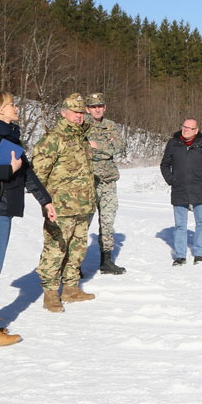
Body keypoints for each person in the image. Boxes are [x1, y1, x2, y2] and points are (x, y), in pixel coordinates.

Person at [0, 91, 56, 347]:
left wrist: (45, 200)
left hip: (0, 209)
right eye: (13, 105)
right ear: (0, 110)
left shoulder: (8, 134)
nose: (17, 108)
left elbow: (26, 173)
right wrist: (7, 169)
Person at [33, 93, 98, 312]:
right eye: (75, 112)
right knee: (55, 250)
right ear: (63, 113)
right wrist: (45, 202)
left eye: (81, 112)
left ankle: (70, 288)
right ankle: (50, 293)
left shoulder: (82, 137)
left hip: (84, 206)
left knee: (78, 249)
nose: (79, 116)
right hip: (61, 208)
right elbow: (38, 174)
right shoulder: (54, 139)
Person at [160, 118, 202, 265]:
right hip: (179, 189)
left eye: (189, 128)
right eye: (184, 126)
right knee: (180, 224)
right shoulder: (173, 143)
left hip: (200, 189)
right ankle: (180, 256)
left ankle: (198, 254)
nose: (185, 129)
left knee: (201, 223)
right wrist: (171, 180)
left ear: (196, 130)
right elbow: (164, 164)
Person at [85, 92, 126, 275]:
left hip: (108, 182)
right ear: (87, 109)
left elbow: (117, 147)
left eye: (100, 106)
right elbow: (84, 150)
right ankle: (73, 265)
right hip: (88, 180)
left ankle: (106, 261)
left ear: (105, 107)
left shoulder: (111, 126)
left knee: (107, 221)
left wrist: (97, 147)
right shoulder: (82, 126)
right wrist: (103, 148)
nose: (97, 109)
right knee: (83, 222)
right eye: (93, 106)